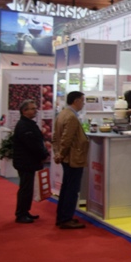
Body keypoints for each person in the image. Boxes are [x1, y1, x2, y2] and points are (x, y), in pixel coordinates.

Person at [52, 91, 89, 229]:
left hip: (66, 157)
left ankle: (62, 216)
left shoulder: (62, 114)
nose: (83, 103)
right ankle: (66, 218)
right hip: (73, 157)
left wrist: (58, 153)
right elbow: (66, 139)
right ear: (76, 101)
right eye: (82, 100)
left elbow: (56, 136)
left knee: (66, 187)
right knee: (72, 189)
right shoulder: (71, 117)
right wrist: (60, 154)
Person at [12, 99, 50, 224]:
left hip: (28, 161)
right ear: (24, 111)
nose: (35, 110)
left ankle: (25, 211)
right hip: (25, 162)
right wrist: (43, 154)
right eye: (32, 108)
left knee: (28, 188)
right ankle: (21, 214)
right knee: (25, 189)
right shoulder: (24, 126)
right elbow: (32, 145)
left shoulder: (28, 124)